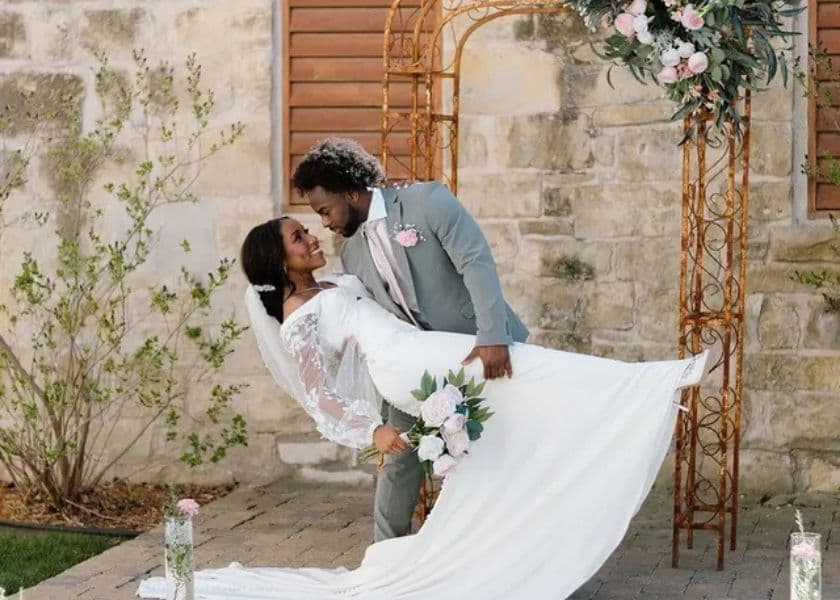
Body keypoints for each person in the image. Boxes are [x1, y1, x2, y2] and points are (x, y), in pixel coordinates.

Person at [137, 216, 708, 600]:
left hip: (416, 348)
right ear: (277, 259)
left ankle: (503, 543)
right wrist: (374, 430)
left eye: (306, 229)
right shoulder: (297, 318)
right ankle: (660, 380)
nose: (310, 237)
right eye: (296, 237)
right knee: (522, 365)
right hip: (405, 365)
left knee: (520, 389)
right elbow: (319, 394)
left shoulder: (331, 285)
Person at [291, 138, 529, 542]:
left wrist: (493, 336)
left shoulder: (427, 201)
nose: (325, 223)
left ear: (351, 192)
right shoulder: (351, 253)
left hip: (479, 351)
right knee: (399, 460)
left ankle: (505, 544)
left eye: (325, 210)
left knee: (499, 456)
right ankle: (385, 557)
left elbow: (476, 261)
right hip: (419, 372)